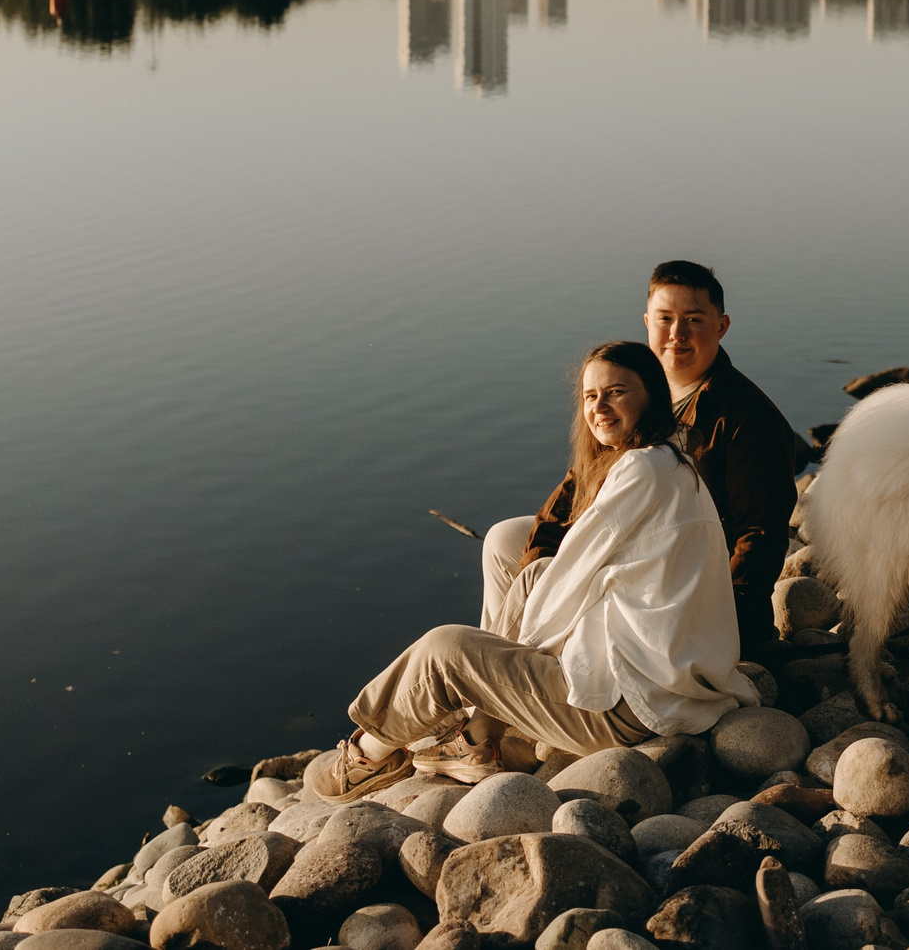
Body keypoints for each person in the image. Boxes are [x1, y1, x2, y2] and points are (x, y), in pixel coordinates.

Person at [306, 340, 757, 802]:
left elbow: (568, 584)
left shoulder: (641, 471)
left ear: (652, 397)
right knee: (532, 575)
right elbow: (563, 572)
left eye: (616, 392)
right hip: (663, 683)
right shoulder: (670, 460)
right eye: (590, 396)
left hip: (627, 708)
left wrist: (496, 668)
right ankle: (476, 735)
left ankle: (365, 759)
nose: (599, 407)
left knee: (445, 650)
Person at [483, 260, 798, 662]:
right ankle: (502, 661)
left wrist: (724, 628)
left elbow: (759, 536)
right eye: (665, 318)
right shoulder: (633, 392)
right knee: (507, 541)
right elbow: (578, 487)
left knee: (542, 578)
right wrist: (542, 561)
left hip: (680, 580)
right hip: (624, 545)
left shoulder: (750, 419)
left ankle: (508, 670)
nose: (677, 334)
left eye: (694, 319)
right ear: (648, 323)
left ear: (721, 326)